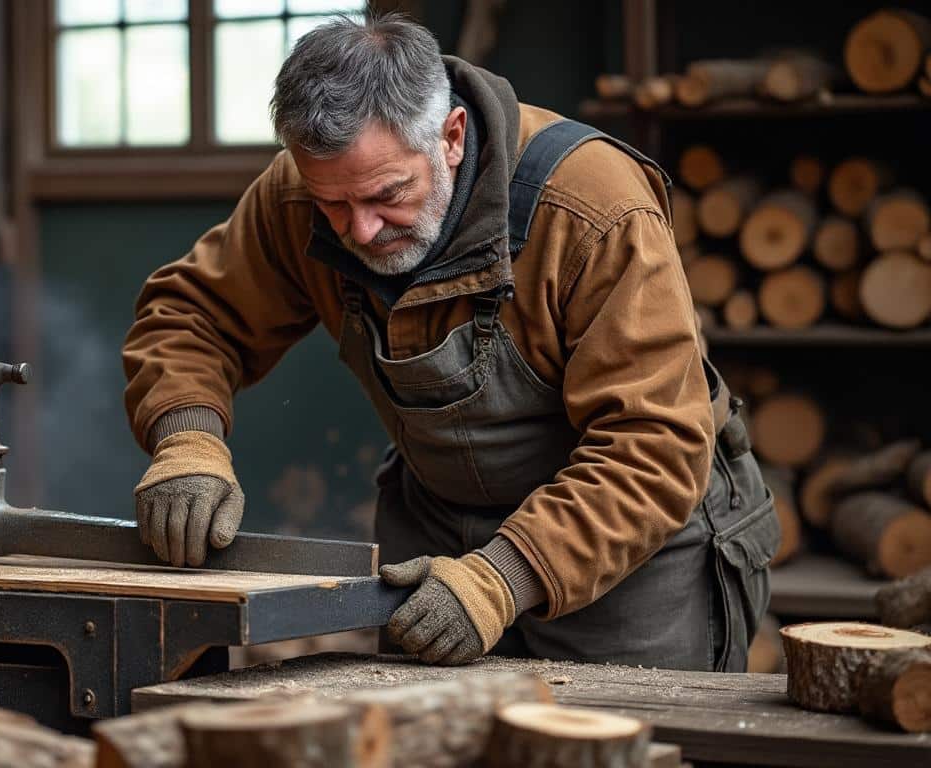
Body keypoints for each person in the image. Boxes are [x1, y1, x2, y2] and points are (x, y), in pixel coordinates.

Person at [122, 13, 779, 671]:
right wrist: (187, 436)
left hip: (625, 545)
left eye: (388, 195)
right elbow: (193, 314)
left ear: (453, 136)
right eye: (333, 207)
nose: (361, 230)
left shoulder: (592, 210)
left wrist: (501, 578)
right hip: (436, 536)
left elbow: (654, 445)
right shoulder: (306, 195)